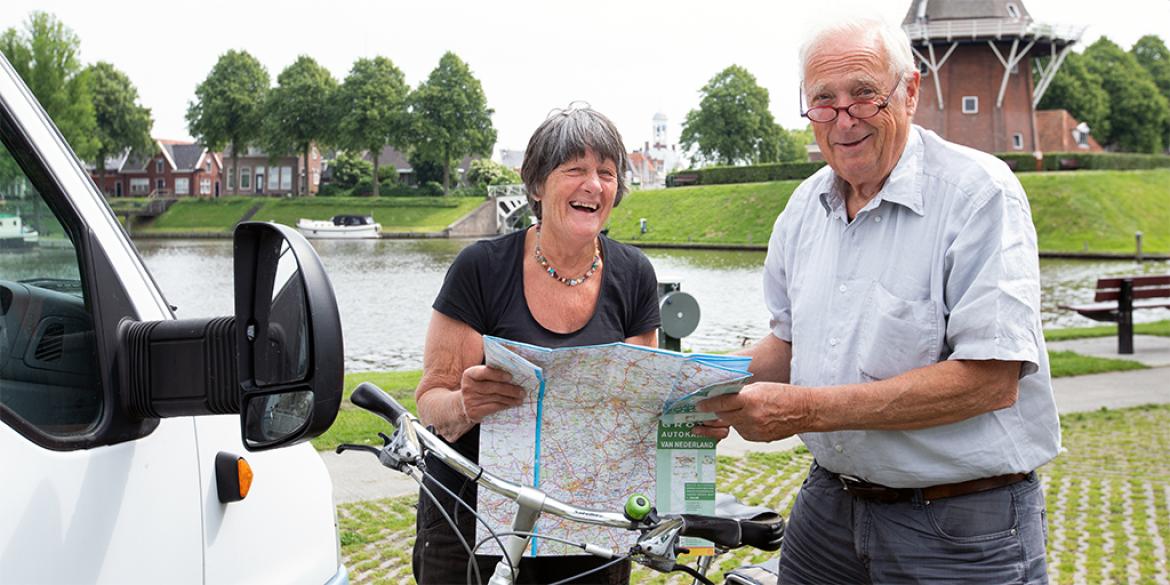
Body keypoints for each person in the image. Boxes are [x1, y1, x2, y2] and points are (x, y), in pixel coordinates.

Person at [694, 16, 1060, 584]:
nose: (845, 120)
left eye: (864, 94)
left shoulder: (978, 195)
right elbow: (789, 340)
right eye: (824, 101)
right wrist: (702, 388)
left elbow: (992, 379)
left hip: (957, 520)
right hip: (829, 508)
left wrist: (806, 410)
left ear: (910, 91)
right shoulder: (803, 208)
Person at [411, 104, 661, 584]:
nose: (594, 185)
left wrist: (687, 421)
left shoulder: (634, 276)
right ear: (536, 186)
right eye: (576, 170)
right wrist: (465, 404)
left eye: (606, 173)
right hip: (472, 527)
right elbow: (430, 403)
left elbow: (640, 407)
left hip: (586, 528)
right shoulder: (480, 269)